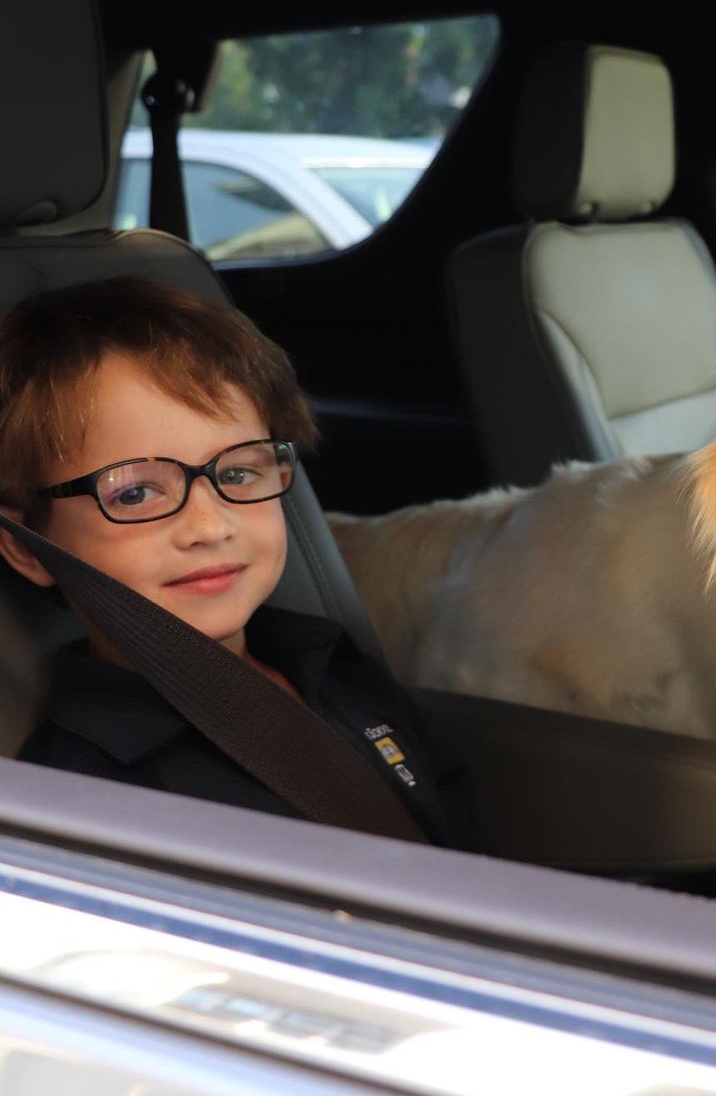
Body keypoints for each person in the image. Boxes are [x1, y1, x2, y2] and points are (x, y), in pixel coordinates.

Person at [0, 277, 468, 845]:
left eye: (239, 472)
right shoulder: (91, 794)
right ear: (27, 546)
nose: (210, 526)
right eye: (134, 493)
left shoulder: (331, 664)